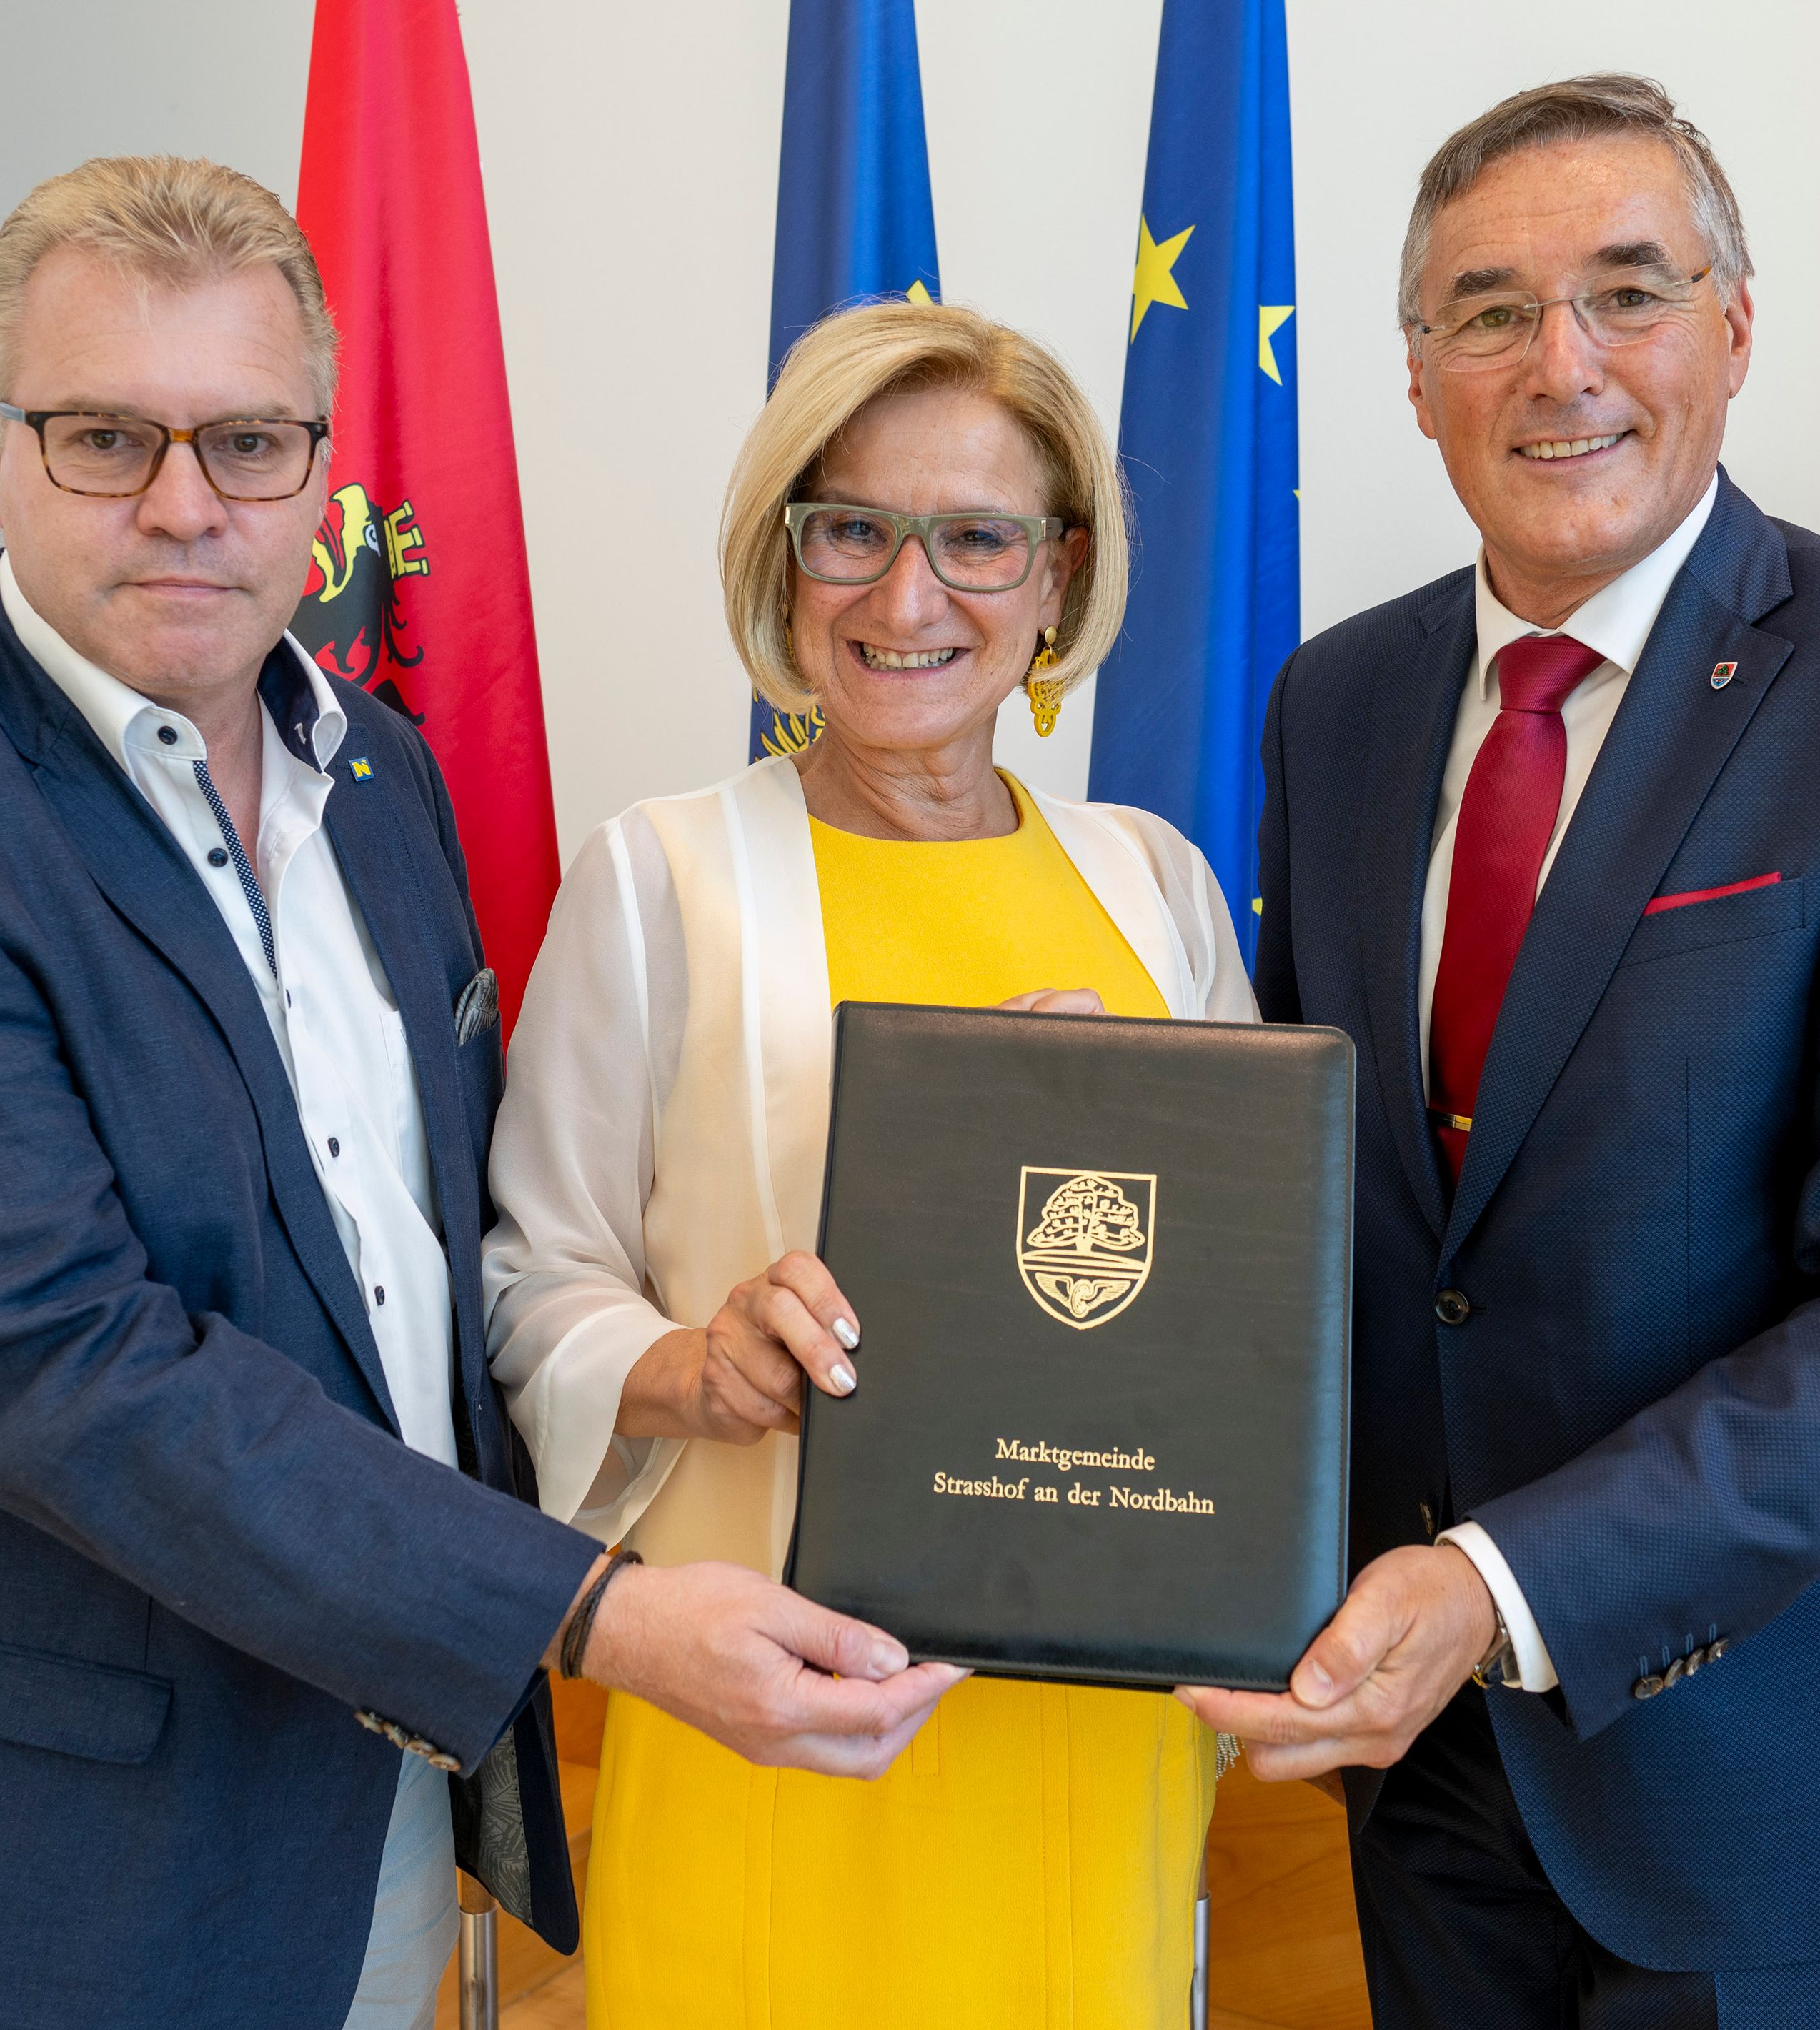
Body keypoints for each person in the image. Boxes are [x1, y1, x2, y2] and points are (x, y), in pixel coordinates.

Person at [0, 157, 953, 2030]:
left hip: (370, 1802)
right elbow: (69, 1374)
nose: (186, 504)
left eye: (249, 441)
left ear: (320, 467)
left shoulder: (384, 782)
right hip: (21, 1878)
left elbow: (420, 1269)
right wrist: (585, 1612)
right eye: (109, 435)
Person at [1195, 76, 1820, 2026]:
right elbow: (1344, 1206)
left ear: (1735, 327)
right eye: (1488, 311)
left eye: (1629, 291)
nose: (1563, 365)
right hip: (1422, 1763)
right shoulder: (1334, 703)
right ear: (1419, 375)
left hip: (1772, 1776)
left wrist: (1506, 1587)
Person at [484, 299, 1255, 2027]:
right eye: (854, 529)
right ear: (785, 557)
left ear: (1054, 576)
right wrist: (689, 1358)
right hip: (778, 1703)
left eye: (977, 537)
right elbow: (532, 1282)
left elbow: (1243, 1310)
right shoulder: (656, 876)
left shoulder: (1157, 886)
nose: (910, 601)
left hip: (1090, 1723)